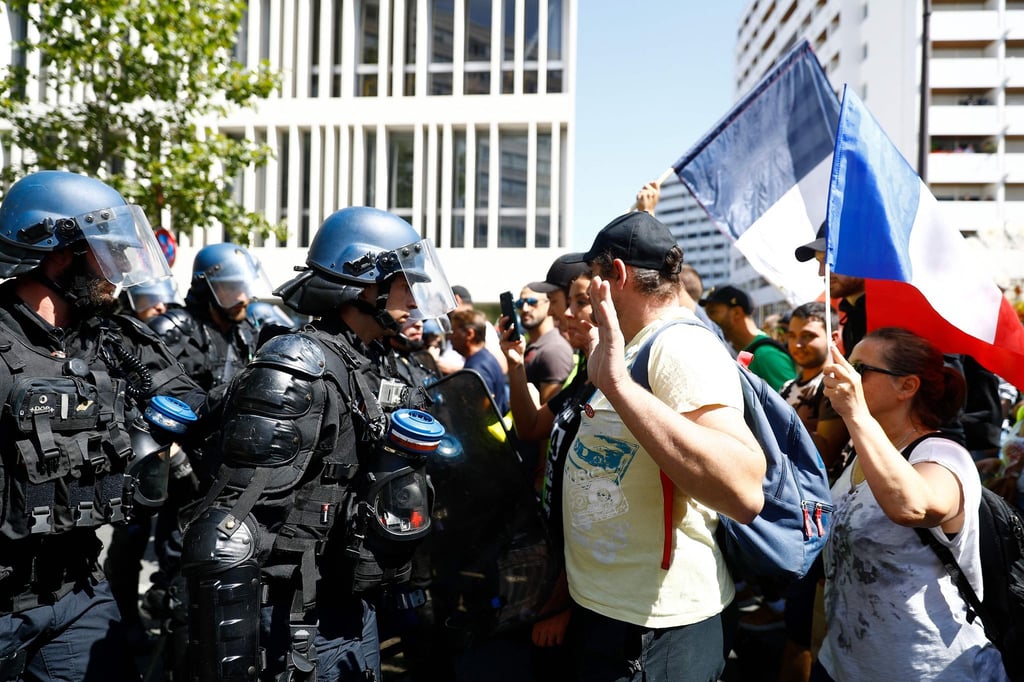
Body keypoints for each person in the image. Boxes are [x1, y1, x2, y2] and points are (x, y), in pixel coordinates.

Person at [180, 206, 456, 682]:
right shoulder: (299, 364)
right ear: (366, 284)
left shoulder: (370, 361)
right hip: (299, 618)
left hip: (349, 604)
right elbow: (231, 528)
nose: (414, 301)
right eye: (405, 284)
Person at [0, 170, 207, 681]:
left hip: (78, 589)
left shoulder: (110, 337)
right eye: (107, 252)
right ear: (58, 252)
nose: (120, 268)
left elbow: (196, 406)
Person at [562, 211, 765, 681]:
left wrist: (617, 385)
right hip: (615, 616)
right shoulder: (637, 343)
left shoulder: (679, 347)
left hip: (656, 632)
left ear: (616, 275)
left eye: (594, 278)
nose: (590, 294)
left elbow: (742, 489)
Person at [814, 328, 1007, 681]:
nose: (844, 373)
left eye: (860, 368)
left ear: (907, 387)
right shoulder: (861, 455)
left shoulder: (943, 455)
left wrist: (855, 414)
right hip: (845, 665)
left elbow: (912, 507)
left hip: (929, 669)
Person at [499, 254, 593, 680]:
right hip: (558, 558)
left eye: (562, 300)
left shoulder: (620, 378)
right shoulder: (587, 376)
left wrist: (564, 606)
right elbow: (533, 425)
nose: (558, 312)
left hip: (579, 585)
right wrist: (516, 367)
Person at [699, 284, 797, 390]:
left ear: (737, 313)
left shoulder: (766, 355)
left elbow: (791, 401)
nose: (707, 319)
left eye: (712, 312)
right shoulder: (734, 350)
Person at [795, 223, 866, 357]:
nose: (822, 272)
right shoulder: (851, 315)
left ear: (861, 256)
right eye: (819, 262)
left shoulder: (891, 313)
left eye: (830, 259)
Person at [516, 286, 574, 405]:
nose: (525, 308)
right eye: (520, 303)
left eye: (532, 302)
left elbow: (548, 420)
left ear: (549, 304)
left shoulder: (554, 350)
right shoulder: (530, 344)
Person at [449, 308, 510, 415]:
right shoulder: (482, 358)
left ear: (469, 334)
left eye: (454, 331)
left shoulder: (478, 367)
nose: (450, 337)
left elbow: (483, 411)